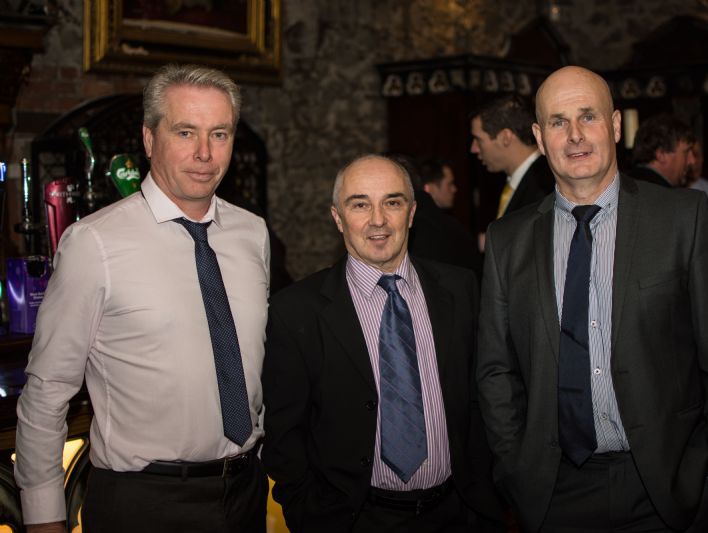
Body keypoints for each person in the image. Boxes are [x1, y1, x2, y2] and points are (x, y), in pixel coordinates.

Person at [476, 66, 708, 532]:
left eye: (589, 116)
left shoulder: (682, 220)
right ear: (539, 138)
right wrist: (515, 468)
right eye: (558, 122)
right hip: (553, 493)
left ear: (616, 126)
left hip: (667, 488)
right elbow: (496, 370)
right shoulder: (508, 240)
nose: (575, 135)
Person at [14, 64, 270, 533]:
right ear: (149, 139)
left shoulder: (252, 234)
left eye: (219, 134)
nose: (204, 153)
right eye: (185, 132)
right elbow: (48, 389)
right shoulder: (94, 243)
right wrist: (43, 515)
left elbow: (251, 365)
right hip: (143, 502)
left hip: (246, 492)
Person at [262, 154, 504, 532]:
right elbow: (284, 434)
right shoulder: (296, 312)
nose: (378, 219)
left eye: (392, 202)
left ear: (411, 213)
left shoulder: (461, 290)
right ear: (338, 218)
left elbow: (482, 398)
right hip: (352, 519)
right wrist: (310, 512)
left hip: (457, 513)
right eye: (360, 205)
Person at [470, 94, 555, 218]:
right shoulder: (523, 182)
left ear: (505, 137)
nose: (473, 148)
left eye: (478, 139)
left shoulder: (545, 187)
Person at [628, 113, 696, 187]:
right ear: (661, 154)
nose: (692, 161)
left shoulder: (625, 184)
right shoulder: (663, 192)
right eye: (686, 152)